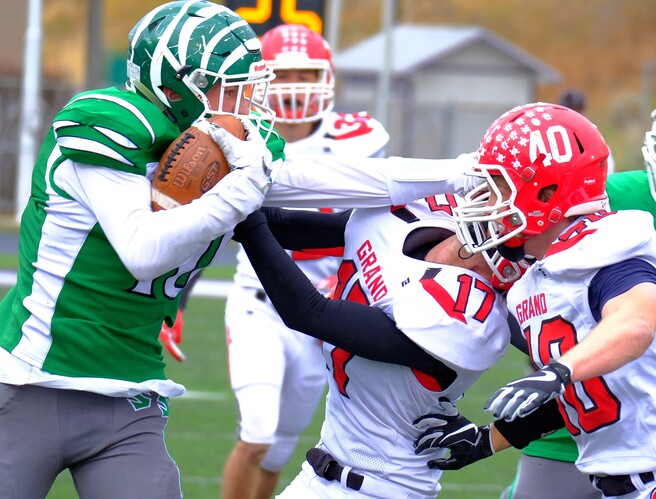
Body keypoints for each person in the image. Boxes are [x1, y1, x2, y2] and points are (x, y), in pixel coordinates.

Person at [0, 1, 483, 496]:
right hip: (28, 382)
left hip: (128, 397)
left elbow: (335, 180)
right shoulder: (110, 127)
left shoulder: (223, 150)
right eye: (228, 85)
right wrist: (240, 192)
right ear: (176, 89)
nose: (247, 100)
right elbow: (142, 249)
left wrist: (463, 172)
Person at [413, 101, 656, 497]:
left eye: (499, 186)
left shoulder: (609, 245)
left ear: (547, 191)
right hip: (621, 479)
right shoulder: (537, 274)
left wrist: (557, 371)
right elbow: (588, 391)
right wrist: (488, 440)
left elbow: (635, 323)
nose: (486, 200)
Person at [229, 178, 526, 497]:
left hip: (381, 489)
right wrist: (226, 187)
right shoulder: (422, 208)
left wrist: (240, 209)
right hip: (320, 473)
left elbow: (307, 312)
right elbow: (282, 227)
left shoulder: (471, 316)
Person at [220, 24, 389, 499]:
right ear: (259, 80)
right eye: (284, 73)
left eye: (306, 73)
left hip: (321, 317)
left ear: (328, 79)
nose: (295, 85)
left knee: (278, 451)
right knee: (255, 435)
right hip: (258, 306)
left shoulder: (358, 138)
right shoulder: (237, 135)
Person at [558, 87, 615, 174]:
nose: (574, 115)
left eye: (578, 111)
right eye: (570, 110)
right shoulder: (555, 138)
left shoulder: (592, 137)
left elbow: (607, 170)